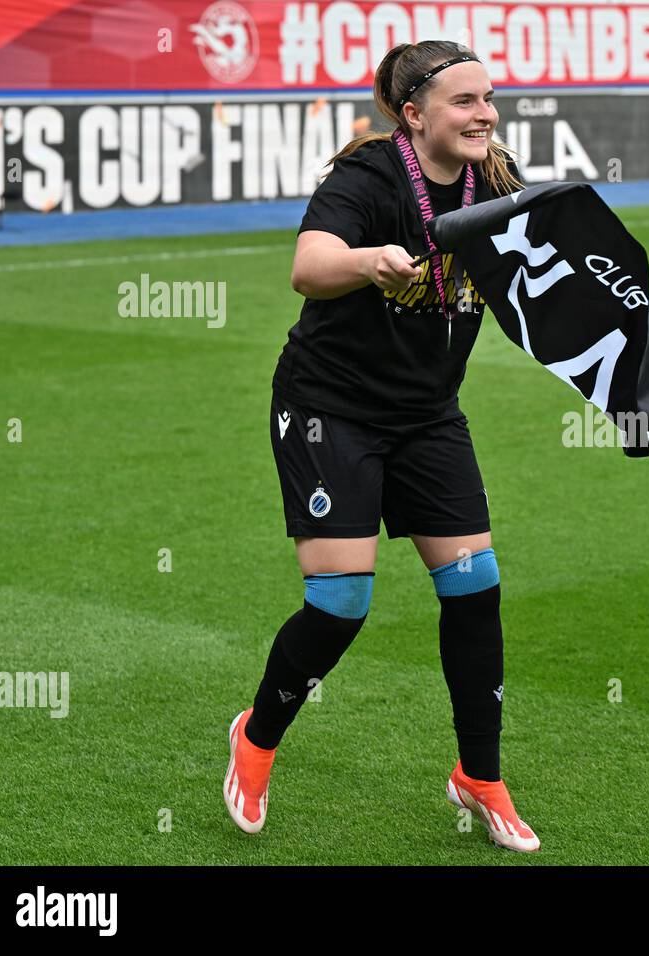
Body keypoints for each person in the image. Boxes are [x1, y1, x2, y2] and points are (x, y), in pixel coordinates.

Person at [222, 39, 540, 852]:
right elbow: (309, 263)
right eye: (465, 101)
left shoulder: (495, 180)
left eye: (489, 98)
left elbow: (553, 280)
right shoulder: (368, 177)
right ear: (414, 114)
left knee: (475, 588)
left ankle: (480, 775)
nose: (485, 114)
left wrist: (630, 384)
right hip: (331, 408)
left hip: (429, 413)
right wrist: (368, 261)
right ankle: (256, 737)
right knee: (341, 604)